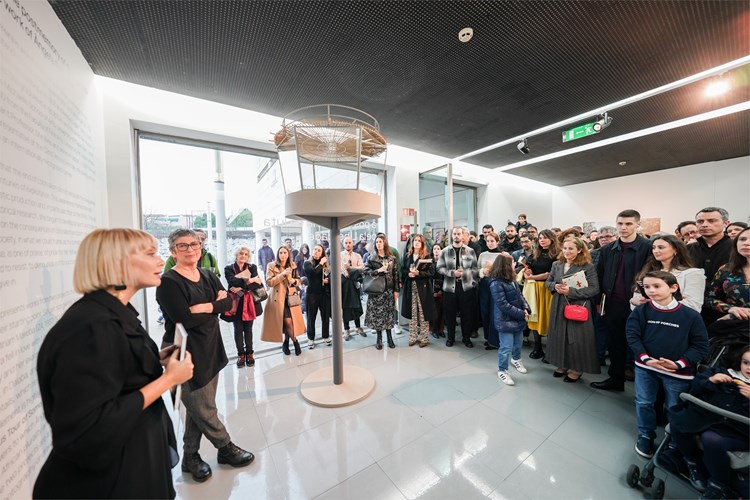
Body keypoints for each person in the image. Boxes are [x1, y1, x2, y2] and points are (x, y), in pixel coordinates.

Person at [34, 229, 195, 499]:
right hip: (106, 483)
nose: (160, 261)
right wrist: (168, 379)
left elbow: (115, 371)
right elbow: (91, 426)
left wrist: (155, 359)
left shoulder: (111, 314)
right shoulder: (91, 327)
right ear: (117, 263)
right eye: (150, 254)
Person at [157, 229, 254, 483]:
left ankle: (190, 456)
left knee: (198, 406)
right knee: (204, 407)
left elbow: (228, 303)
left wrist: (206, 306)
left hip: (209, 345)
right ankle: (226, 447)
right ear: (173, 251)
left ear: (200, 247)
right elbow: (184, 319)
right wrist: (215, 306)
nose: (190, 249)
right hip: (181, 351)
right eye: (183, 246)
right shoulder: (168, 283)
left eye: (194, 244)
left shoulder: (208, 275)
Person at [626, 271, 709, 458]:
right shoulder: (641, 311)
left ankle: (674, 442)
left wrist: (679, 364)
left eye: (657, 286)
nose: (651, 291)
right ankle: (646, 434)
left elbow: (700, 346)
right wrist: (646, 359)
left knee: (675, 407)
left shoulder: (690, 316)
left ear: (673, 288)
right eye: (647, 287)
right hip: (646, 367)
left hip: (678, 373)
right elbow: (633, 336)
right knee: (644, 402)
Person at [669, 346, 750, 499]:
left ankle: (720, 484)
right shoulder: (722, 372)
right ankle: (692, 462)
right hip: (707, 417)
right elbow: (694, 388)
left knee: (711, 438)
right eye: (746, 363)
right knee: (678, 422)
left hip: (737, 429)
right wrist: (711, 381)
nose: (749, 368)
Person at [591, 209, 651, 392]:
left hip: (640, 304)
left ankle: (644, 386)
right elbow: (599, 275)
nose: (623, 227)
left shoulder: (648, 247)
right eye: (620, 223)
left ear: (638, 225)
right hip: (613, 303)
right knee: (615, 342)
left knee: (639, 343)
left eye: (628, 224)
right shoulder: (607, 249)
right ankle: (615, 379)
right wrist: (598, 301)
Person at [545, 237, 601, 383]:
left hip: (578, 305)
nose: (567, 251)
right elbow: (548, 282)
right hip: (559, 304)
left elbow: (594, 289)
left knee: (576, 338)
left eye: (571, 248)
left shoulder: (587, 266)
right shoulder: (557, 264)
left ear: (580, 250)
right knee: (559, 335)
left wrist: (571, 291)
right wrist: (554, 286)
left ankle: (577, 369)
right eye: (564, 248)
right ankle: (562, 364)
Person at [630, 235, 705, 313]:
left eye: (661, 247)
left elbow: (693, 305)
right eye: (654, 248)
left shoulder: (692, 273)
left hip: (677, 318)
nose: (655, 251)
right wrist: (634, 302)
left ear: (676, 250)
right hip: (648, 317)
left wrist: (655, 305)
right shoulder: (647, 271)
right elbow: (636, 302)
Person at [489, 254, 531, 386]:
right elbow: (503, 304)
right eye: (512, 262)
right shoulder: (496, 283)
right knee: (506, 347)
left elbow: (520, 296)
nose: (515, 264)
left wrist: (526, 308)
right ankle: (502, 370)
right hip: (505, 320)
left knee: (518, 344)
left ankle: (516, 359)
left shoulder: (512, 279)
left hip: (518, 318)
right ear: (505, 265)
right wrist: (521, 313)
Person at [688, 207, 733, 325]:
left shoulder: (737, 249)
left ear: (726, 223)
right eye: (700, 221)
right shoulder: (687, 250)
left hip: (728, 311)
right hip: (693, 309)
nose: (704, 225)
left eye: (711, 221)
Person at [437, 227, 479, 348]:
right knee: (450, 315)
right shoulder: (444, 251)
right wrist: (451, 273)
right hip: (449, 288)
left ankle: (466, 338)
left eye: (459, 234)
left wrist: (473, 283)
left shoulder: (470, 251)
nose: (456, 236)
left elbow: (475, 269)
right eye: (454, 234)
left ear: (463, 235)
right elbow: (439, 268)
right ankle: (450, 338)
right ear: (452, 236)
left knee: (467, 315)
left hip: (466, 288)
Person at [224, 247, 264, 367]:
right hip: (236, 304)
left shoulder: (252, 267)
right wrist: (251, 280)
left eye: (246, 254)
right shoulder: (229, 268)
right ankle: (241, 355)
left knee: (248, 330)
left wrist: (241, 288)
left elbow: (257, 284)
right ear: (236, 255)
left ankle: (249, 354)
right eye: (241, 253)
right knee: (238, 330)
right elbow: (232, 282)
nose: (243, 256)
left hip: (249, 303)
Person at [261, 246, 304, 355]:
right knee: (287, 322)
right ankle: (296, 342)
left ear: (288, 254)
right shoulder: (271, 265)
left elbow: (299, 280)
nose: (283, 255)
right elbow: (269, 282)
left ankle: (286, 343)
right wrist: (283, 274)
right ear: (277, 254)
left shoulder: (293, 265)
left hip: (291, 298)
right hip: (278, 299)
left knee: (289, 323)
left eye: (285, 252)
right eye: (280, 252)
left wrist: (294, 281)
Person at [524, 229, 559, 360]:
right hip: (535, 290)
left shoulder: (557, 254)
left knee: (549, 319)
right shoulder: (535, 253)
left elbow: (549, 274)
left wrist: (532, 277)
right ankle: (537, 348)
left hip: (549, 289)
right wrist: (528, 271)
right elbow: (528, 267)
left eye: (545, 237)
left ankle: (551, 351)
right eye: (540, 238)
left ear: (552, 239)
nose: (542, 240)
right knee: (535, 318)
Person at [364, 234, 400, 349]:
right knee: (378, 315)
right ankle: (379, 339)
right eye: (377, 242)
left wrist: (396, 290)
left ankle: (389, 337)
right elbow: (365, 271)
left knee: (389, 314)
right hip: (376, 290)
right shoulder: (371, 258)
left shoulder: (392, 258)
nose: (378, 244)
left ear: (385, 243)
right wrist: (378, 271)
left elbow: (396, 275)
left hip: (388, 290)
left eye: (380, 241)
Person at [707, 226, 750, 322]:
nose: (746, 243)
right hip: (736, 326)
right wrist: (730, 309)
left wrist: (732, 317)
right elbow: (709, 298)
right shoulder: (726, 269)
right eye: (742, 239)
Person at [401, 234, 436, 347]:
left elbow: (431, 272)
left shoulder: (427, 256)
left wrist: (418, 273)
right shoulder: (407, 256)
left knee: (423, 313)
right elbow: (403, 270)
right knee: (412, 313)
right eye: (415, 240)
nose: (416, 242)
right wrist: (408, 274)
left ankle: (424, 338)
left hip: (423, 288)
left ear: (422, 243)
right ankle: (413, 336)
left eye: (419, 241)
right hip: (410, 287)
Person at [303, 244, 332, 348]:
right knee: (311, 317)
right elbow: (313, 273)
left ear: (322, 253)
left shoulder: (325, 265)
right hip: (312, 294)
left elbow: (330, 275)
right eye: (315, 249)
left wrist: (328, 280)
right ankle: (311, 338)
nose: (316, 251)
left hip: (324, 293)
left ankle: (326, 336)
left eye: (319, 250)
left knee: (325, 317)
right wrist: (321, 263)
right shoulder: (307, 263)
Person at [478, 231, 502, 349]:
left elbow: (507, 272)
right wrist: (483, 271)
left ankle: (495, 340)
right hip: (484, 284)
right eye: (488, 241)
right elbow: (477, 269)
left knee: (495, 312)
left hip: (498, 285)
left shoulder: (503, 255)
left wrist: (492, 270)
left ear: (497, 242)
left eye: (492, 241)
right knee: (485, 311)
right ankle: (488, 338)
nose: (490, 243)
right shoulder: (482, 255)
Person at [340, 236, 365, 339]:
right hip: (344, 285)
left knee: (356, 305)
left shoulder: (357, 255)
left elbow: (361, 268)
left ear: (353, 244)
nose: (348, 244)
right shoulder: (340, 255)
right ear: (343, 244)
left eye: (350, 242)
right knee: (345, 306)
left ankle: (358, 327)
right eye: (346, 243)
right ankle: (346, 330)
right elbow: (339, 268)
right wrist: (345, 271)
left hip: (355, 284)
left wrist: (350, 268)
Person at [430, 243, 446, 339]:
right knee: (434, 310)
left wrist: (441, 290)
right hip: (431, 290)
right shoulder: (429, 262)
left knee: (442, 310)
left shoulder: (444, 262)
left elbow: (446, 277)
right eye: (435, 249)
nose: (436, 250)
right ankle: (434, 330)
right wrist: (433, 291)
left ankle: (441, 330)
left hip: (442, 289)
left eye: (438, 249)